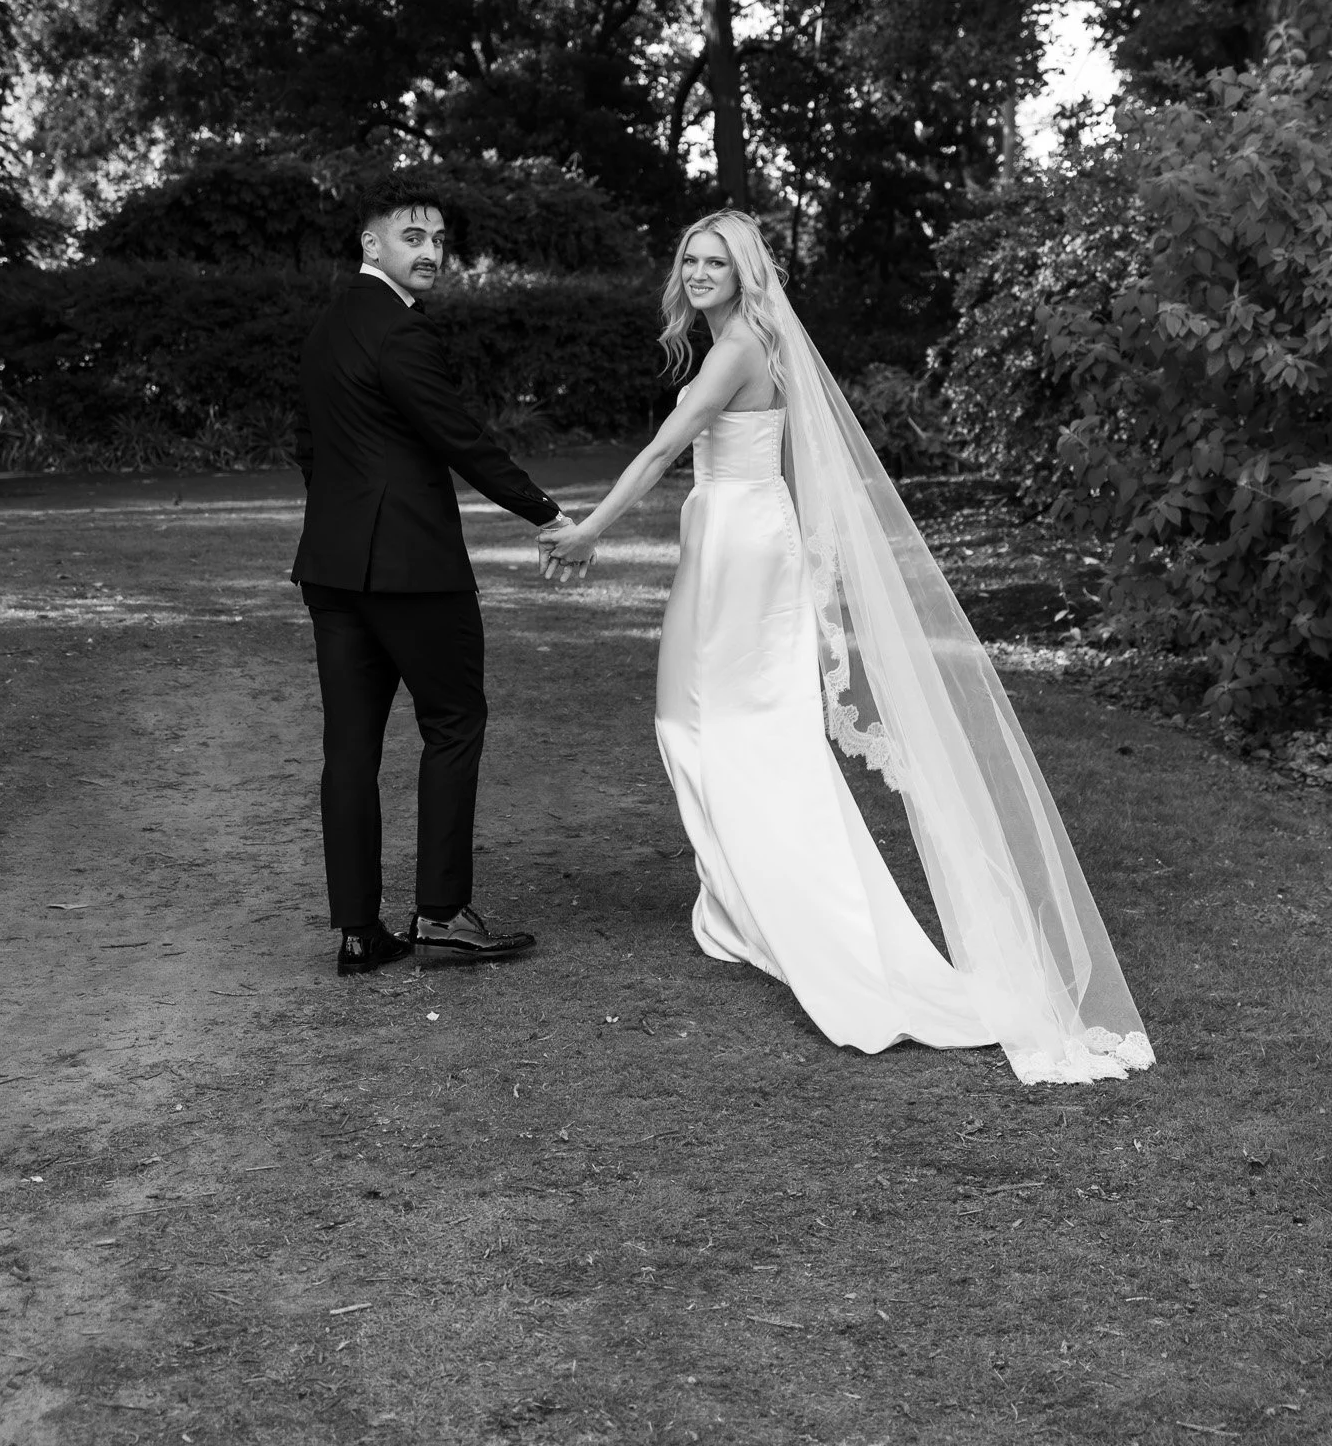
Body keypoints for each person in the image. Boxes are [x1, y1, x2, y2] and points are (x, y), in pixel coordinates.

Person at [539, 211, 1155, 1086]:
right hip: (727, 536)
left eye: (720, 260)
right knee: (689, 722)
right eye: (692, 258)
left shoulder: (739, 348)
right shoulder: (735, 343)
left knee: (742, 731)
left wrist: (591, 531)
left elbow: (664, 448)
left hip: (743, 546)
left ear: (749, 274)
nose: (703, 270)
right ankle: (739, 904)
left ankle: (799, 917)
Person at [292, 177, 571, 977]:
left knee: (349, 750)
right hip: (413, 571)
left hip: (334, 569)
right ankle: (442, 915)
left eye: (439, 240)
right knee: (453, 723)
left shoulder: (325, 329)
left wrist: (350, 522)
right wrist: (546, 513)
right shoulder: (402, 335)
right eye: (413, 237)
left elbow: (307, 447)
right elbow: (462, 440)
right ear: (371, 245)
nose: (431, 252)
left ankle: (358, 933)